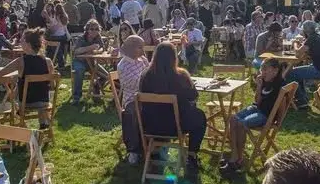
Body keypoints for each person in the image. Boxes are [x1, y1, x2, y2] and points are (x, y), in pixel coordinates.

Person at [138, 42, 206, 176]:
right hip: (174, 126)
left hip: (149, 125)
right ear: (174, 57)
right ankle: (191, 155)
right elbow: (194, 97)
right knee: (200, 117)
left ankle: (156, 151)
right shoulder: (181, 76)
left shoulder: (145, 75)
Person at [220, 58, 285, 174]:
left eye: (265, 69)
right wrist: (259, 86)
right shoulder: (264, 81)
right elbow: (257, 101)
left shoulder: (280, 84)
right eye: (261, 68)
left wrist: (278, 122)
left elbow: (282, 105)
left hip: (266, 115)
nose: (262, 71)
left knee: (240, 123)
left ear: (275, 71)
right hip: (256, 108)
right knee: (233, 119)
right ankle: (236, 155)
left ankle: (237, 159)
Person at [0, 28, 55, 127]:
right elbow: (52, 85)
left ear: (28, 44)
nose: (20, 42)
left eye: (22, 40)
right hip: (44, 101)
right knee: (39, 93)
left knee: (14, 96)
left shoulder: (20, 61)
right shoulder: (48, 61)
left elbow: (0, 73)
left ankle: (21, 125)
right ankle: (43, 123)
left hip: (26, 102)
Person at [117, 35, 150, 165]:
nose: (143, 51)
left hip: (146, 96)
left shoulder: (142, 60)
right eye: (139, 48)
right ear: (130, 48)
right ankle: (134, 150)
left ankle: (157, 145)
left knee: (161, 107)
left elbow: (148, 74)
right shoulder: (123, 65)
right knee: (133, 112)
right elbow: (135, 84)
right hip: (131, 99)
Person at [285, 21, 320, 109]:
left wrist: (295, 43)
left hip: (319, 70)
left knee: (289, 74)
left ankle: (301, 100)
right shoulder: (317, 36)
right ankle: (303, 98)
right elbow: (306, 51)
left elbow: (298, 54)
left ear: (305, 30)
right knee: (296, 72)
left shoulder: (311, 39)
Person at [71, 19, 109, 105]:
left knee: (107, 76)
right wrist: (90, 47)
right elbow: (76, 51)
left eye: (96, 29)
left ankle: (96, 87)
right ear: (87, 29)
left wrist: (98, 50)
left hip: (91, 63)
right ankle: (77, 98)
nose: (94, 31)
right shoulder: (81, 38)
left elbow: (102, 47)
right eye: (92, 29)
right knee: (79, 71)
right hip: (79, 61)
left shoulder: (98, 37)